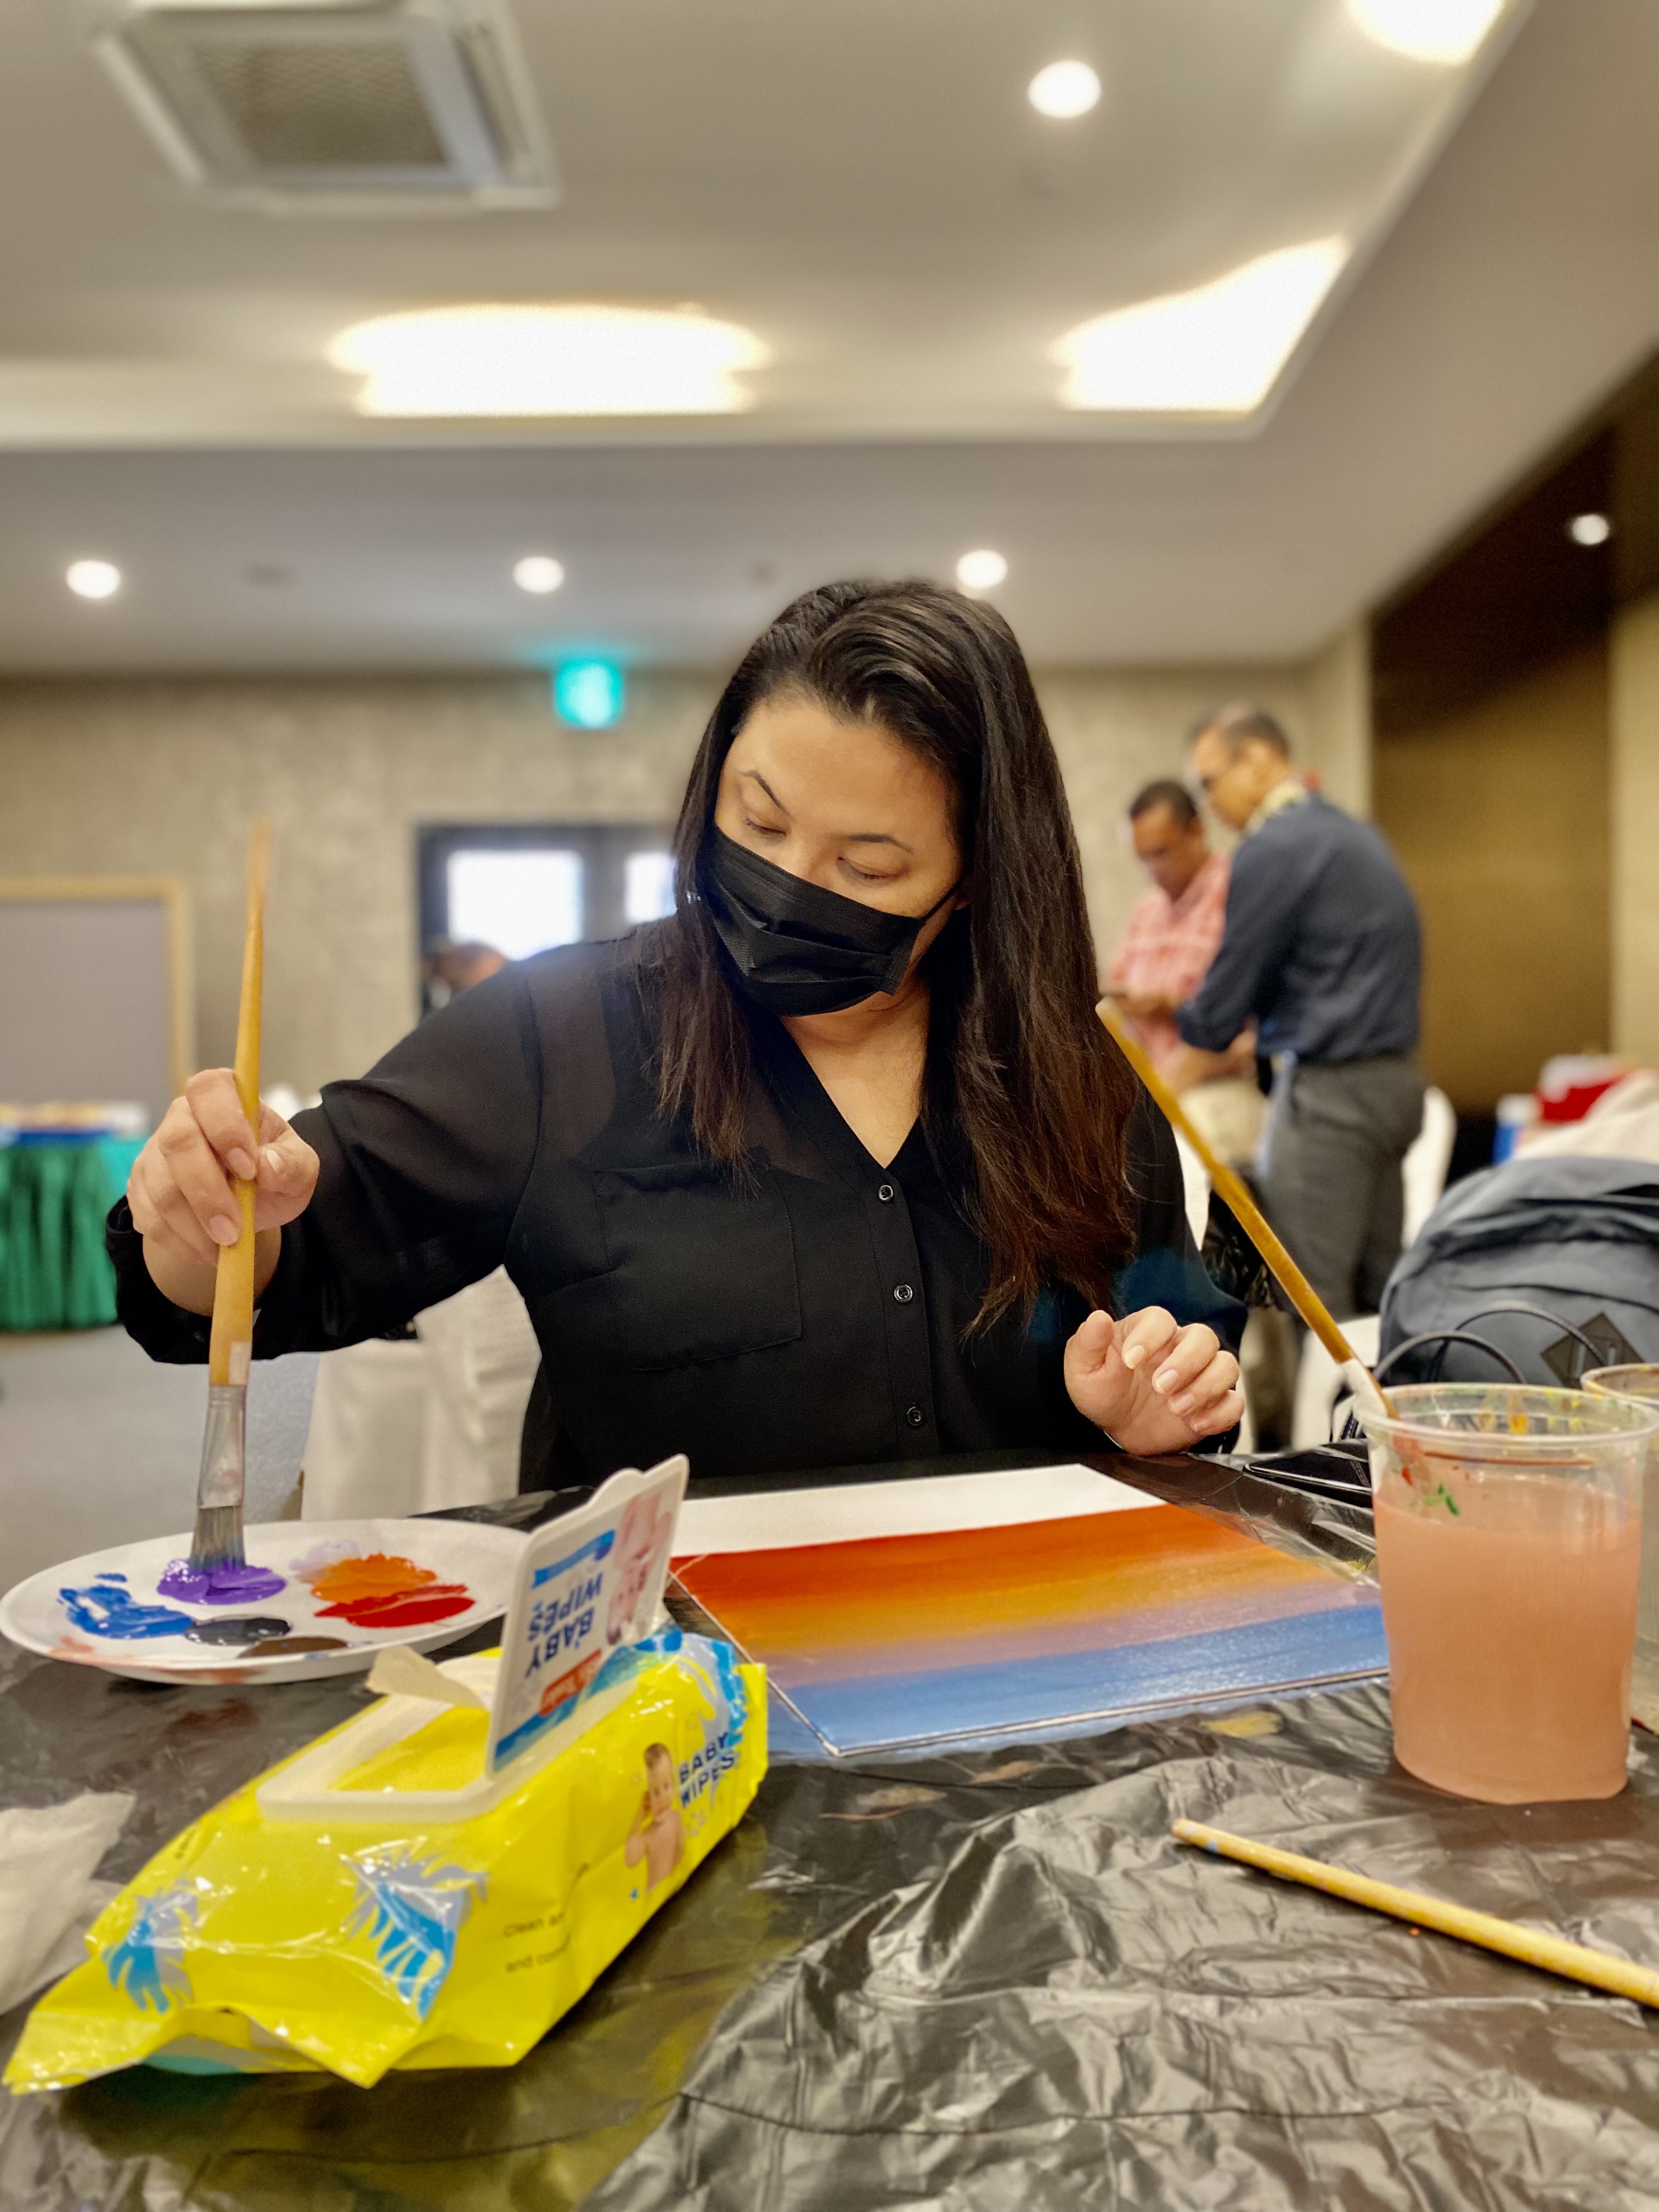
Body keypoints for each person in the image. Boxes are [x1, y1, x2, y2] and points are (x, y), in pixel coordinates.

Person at [115, 581, 1243, 1488]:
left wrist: (1165, 1411)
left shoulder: (1083, 1080)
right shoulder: (559, 1035)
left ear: (976, 883)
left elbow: (1183, 1350)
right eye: (758, 819)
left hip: (1020, 1683)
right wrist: (209, 1212)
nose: (789, 881)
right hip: (669, 1702)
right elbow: (270, 1260)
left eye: (869, 865)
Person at [1178, 703, 1424, 1320]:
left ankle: (1314, 1423)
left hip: (1330, 1098)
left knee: (1312, 1307)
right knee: (1376, 1301)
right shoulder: (1352, 833)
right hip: (1396, 1085)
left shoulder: (1276, 846)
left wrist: (1169, 1020)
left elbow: (1218, 1012)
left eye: (1210, 782)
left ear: (1256, 759)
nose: (1209, 804)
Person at [1104, 778, 1262, 1171]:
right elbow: (1113, 994)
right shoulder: (1147, 911)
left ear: (1197, 832)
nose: (1154, 870)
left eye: (1163, 853)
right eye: (1144, 858)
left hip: (1218, 1084)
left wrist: (1174, 1008)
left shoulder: (1241, 895)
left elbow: (1253, 1019)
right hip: (1148, 1086)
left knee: (1175, 1151)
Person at [625, 1745, 685, 1892]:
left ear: (674, 1784)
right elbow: (631, 1860)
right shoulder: (649, 1834)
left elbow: (682, 1849)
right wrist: (639, 1817)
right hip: (654, 1893)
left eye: (667, 1786)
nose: (663, 1798)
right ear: (647, 1799)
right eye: (655, 1792)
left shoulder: (676, 1819)